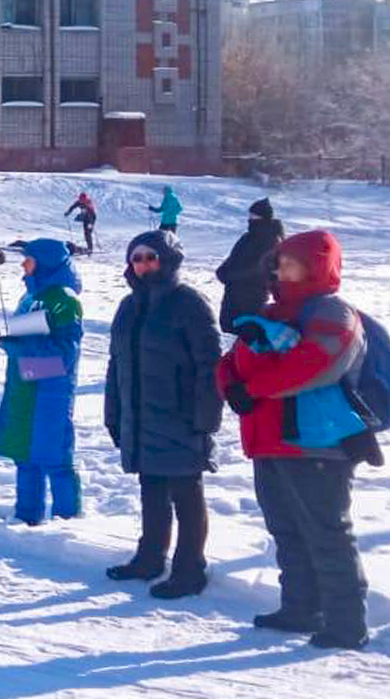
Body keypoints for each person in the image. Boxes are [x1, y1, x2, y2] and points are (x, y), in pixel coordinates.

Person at [217, 229, 375, 650]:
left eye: (292, 263)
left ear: (317, 265)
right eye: (281, 263)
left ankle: (346, 622)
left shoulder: (333, 312)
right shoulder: (271, 312)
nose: (282, 271)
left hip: (316, 441)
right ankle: (300, 607)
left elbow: (314, 365)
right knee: (286, 530)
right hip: (268, 439)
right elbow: (230, 360)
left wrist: (252, 389)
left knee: (326, 532)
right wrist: (230, 382)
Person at [103, 230, 223, 597]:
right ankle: (150, 557)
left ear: (168, 261)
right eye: (137, 259)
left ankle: (190, 569)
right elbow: (117, 364)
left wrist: (205, 418)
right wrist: (114, 412)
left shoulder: (189, 303)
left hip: (180, 417)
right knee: (151, 490)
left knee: (186, 493)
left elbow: (210, 366)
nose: (143, 265)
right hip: (141, 416)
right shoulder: (128, 306)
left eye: (150, 257)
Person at [0, 239, 84, 525]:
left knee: (55, 459)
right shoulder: (30, 297)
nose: (23, 264)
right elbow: (28, 345)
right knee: (26, 457)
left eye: (28, 259)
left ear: (45, 262)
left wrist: (19, 349)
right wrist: (18, 351)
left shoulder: (64, 300)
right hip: (25, 390)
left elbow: (64, 357)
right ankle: (26, 517)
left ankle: (67, 523)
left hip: (50, 395)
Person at [215, 197, 285, 335]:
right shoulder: (247, 237)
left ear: (263, 217)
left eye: (254, 216)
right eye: (250, 215)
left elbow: (261, 269)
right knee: (230, 326)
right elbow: (234, 257)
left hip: (253, 294)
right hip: (233, 291)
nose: (250, 219)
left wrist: (232, 276)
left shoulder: (271, 239)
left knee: (248, 331)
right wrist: (223, 270)